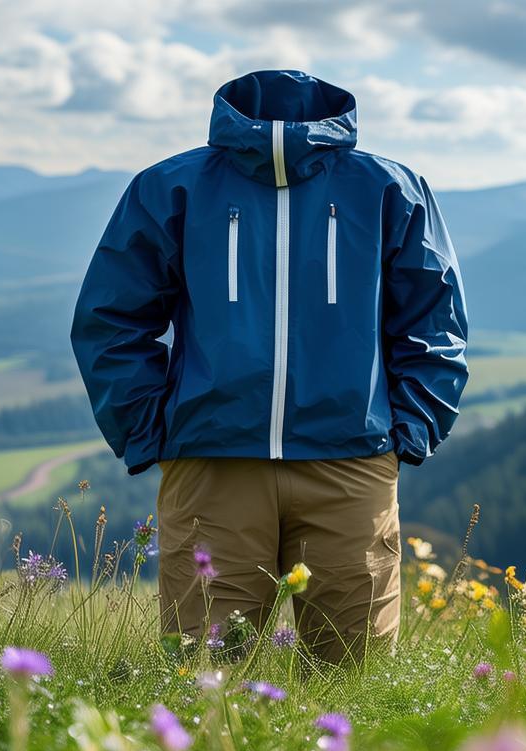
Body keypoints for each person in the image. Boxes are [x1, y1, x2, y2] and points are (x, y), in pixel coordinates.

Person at [69, 70, 469, 665]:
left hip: (350, 465)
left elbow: (435, 319)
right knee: (204, 681)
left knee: (356, 683)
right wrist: (151, 431)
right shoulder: (170, 187)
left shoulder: (389, 188)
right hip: (212, 466)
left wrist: (407, 432)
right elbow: (111, 318)